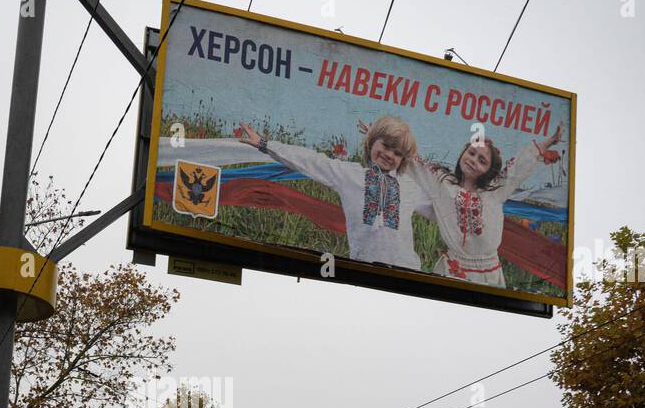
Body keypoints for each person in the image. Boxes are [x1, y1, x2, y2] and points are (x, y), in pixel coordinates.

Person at [234, 116, 430, 269]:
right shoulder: (349, 175)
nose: (389, 155)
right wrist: (266, 145)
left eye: (397, 153)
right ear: (371, 142)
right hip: (365, 270)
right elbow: (311, 161)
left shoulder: (410, 187)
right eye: (386, 146)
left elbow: (445, 204)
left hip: (407, 273)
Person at [404, 124, 565, 288]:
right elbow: (417, 165)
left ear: (489, 170)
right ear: (463, 153)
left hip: (488, 274)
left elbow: (519, 166)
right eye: (471, 153)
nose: (473, 160)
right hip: (452, 269)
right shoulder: (442, 183)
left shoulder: (495, 191)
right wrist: (387, 137)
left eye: (482, 161)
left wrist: (549, 142)